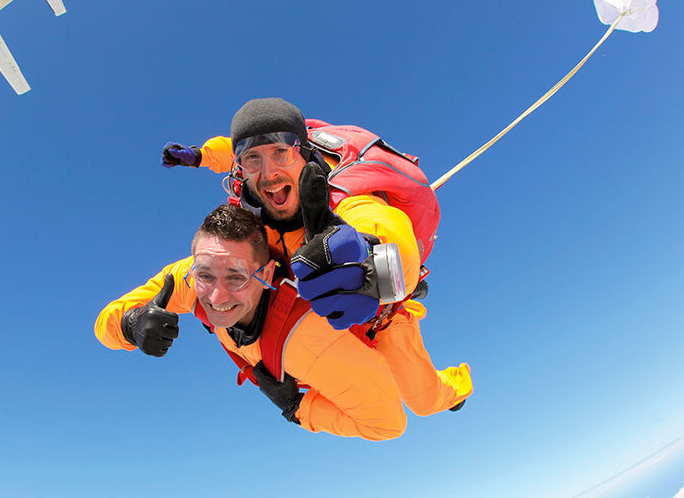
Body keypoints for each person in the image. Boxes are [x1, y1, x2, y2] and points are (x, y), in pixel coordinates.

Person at [159, 97, 472, 411]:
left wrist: (368, 260)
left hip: (379, 319)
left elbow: (385, 226)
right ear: (240, 168)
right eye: (252, 159)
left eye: (281, 153)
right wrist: (201, 155)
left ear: (303, 152)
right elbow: (232, 149)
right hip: (319, 314)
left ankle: (458, 385)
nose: (268, 173)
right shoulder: (245, 225)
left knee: (424, 400)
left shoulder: (346, 195)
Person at [95, 203, 466, 440]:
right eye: (205, 274)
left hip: (377, 327)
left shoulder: (314, 347)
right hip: (302, 355)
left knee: (424, 399)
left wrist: (298, 410)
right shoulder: (189, 280)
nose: (216, 297)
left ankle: (459, 386)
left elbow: (387, 426)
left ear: (267, 272)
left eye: (237, 278)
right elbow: (105, 322)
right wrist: (131, 322)